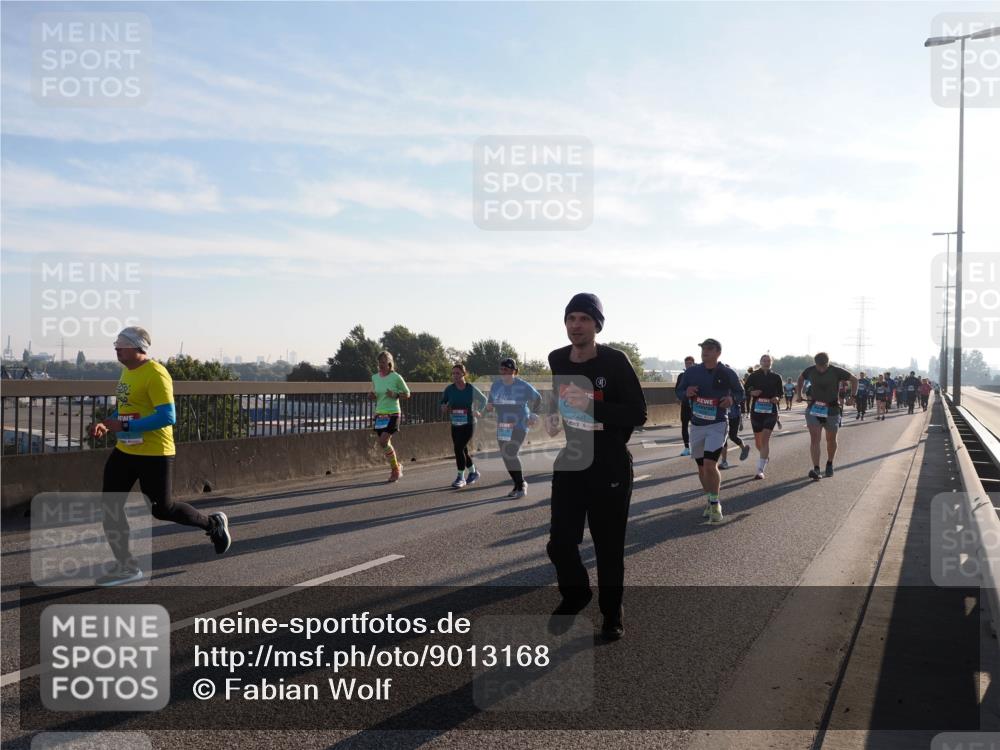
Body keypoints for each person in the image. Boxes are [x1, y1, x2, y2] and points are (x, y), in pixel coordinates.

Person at [89, 327, 231, 587]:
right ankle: (126, 567)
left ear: (137, 347)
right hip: (125, 450)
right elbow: (126, 407)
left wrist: (127, 427)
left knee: (162, 510)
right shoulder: (126, 372)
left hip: (155, 453)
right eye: (115, 344)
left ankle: (213, 524)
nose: (116, 348)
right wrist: (107, 423)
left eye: (121, 345)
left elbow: (168, 417)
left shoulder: (156, 374)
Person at [544, 293, 646, 641]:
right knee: (559, 543)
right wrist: (555, 413)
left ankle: (611, 612)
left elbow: (638, 414)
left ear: (597, 325)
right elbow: (560, 399)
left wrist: (590, 407)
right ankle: (576, 593)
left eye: (584, 319)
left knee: (608, 547)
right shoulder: (557, 358)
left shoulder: (615, 362)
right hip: (573, 459)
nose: (576, 325)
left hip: (609, 463)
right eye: (571, 318)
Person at [675, 338, 744, 524]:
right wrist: (686, 392)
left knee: (709, 464)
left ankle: (715, 503)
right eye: (703, 348)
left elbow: (740, 393)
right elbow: (679, 392)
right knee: (700, 468)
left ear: (718, 352)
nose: (705, 351)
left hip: (718, 424)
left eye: (709, 349)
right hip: (697, 425)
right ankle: (709, 499)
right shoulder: (691, 372)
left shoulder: (727, 372)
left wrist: (732, 400)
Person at [796, 353, 858, 480]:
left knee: (831, 439)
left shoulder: (836, 371)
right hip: (814, 408)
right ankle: (816, 468)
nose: (821, 369)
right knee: (815, 439)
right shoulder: (810, 370)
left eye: (824, 366)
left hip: (832, 409)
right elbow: (800, 379)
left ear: (828, 363)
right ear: (815, 363)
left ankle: (829, 463)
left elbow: (854, 380)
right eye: (819, 366)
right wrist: (799, 393)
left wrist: (852, 397)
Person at [487, 358, 541, 499]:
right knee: (506, 456)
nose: (503, 372)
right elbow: (490, 402)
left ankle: (522, 484)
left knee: (511, 452)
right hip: (503, 425)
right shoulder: (496, 385)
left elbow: (538, 398)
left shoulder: (522, 385)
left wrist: (534, 415)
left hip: (520, 424)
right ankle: (517, 485)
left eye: (507, 370)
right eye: (502, 369)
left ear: (514, 371)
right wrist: (490, 406)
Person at [440, 363, 487, 488]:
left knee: (458, 448)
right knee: (462, 450)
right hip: (455, 423)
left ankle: (460, 478)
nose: (455, 376)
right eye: (453, 373)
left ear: (464, 374)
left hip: (469, 423)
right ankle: (473, 472)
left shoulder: (470, 388)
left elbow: (484, 400)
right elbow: (443, 402)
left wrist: (479, 411)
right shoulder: (449, 389)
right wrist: (444, 407)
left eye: (458, 373)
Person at [370, 351, 411, 482]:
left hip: (393, 413)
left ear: (389, 363)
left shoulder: (396, 377)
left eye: (383, 362)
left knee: (383, 441)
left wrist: (396, 394)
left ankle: (395, 470)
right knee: (385, 444)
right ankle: (397, 466)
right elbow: (376, 393)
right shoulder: (375, 377)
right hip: (380, 414)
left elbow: (407, 393)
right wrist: (371, 396)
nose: (380, 365)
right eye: (379, 362)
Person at [745, 354, 784, 479]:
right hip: (756, 411)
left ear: (771, 362)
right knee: (758, 442)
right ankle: (764, 457)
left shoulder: (777, 377)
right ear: (760, 362)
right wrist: (752, 392)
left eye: (768, 360)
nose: (766, 362)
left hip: (771, 411)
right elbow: (745, 389)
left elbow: (780, 393)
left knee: (765, 439)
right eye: (764, 360)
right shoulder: (753, 375)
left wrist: (777, 398)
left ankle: (760, 470)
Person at [718, 394, 750, 470]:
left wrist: (741, 422)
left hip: (734, 417)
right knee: (723, 438)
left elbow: (739, 405)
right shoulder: (719, 389)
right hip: (723, 417)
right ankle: (724, 462)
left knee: (732, 436)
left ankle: (743, 448)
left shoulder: (734, 390)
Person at [677, 356, 696, 456]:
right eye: (686, 363)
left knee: (695, 427)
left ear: (693, 363)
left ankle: (695, 447)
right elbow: (677, 390)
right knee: (684, 426)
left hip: (696, 406)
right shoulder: (681, 376)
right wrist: (683, 395)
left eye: (689, 363)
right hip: (685, 405)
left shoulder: (698, 375)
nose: (688, 365)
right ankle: (686, 448)